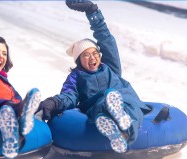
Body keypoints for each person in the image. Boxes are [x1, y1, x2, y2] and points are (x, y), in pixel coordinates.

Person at [37, 0, 150, 153]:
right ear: (78, 60)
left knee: (126, 104)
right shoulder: (76, 77)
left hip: (124, 99)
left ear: (99, 55)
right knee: (100, 110)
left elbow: (106, 39)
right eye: (86, 55)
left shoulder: (110, 67)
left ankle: (123, 128)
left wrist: (92, 12)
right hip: (98, 104)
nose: (92, 58)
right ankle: (117, 127)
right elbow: (69, 96)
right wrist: (54, 102)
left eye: (95, 53)